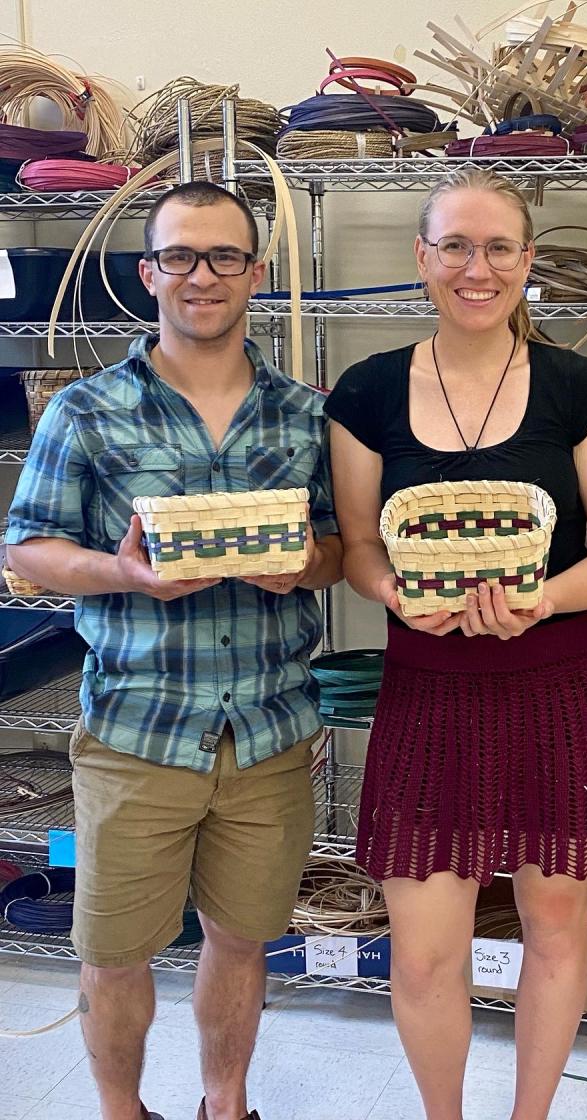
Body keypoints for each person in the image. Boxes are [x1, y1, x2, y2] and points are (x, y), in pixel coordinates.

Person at [5, 181, 342, 1120]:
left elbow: (340, 549)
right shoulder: (86, 410)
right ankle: (123, 1113)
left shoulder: (304, 414)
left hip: (269, 731)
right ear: (149, 272)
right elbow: (26, 549)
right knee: (112, 952)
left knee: (240, 941)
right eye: (182, 257)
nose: (203, 276)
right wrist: (127, 576)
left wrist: (301, 566)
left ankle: (224, 1107)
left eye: (224, 257)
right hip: (135, 731)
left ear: (256, 274)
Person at [326, 167, 587, 1120]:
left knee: (557, 927)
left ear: (527, 262)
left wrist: (542, 599)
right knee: (426, 949)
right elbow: (356, 545)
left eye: (499, 247)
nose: (478, 267)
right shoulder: (370, 390)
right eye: (456, 246)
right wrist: (391, 590)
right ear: (421, 259)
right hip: (429, 692)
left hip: (558, 688)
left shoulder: (579, 387)